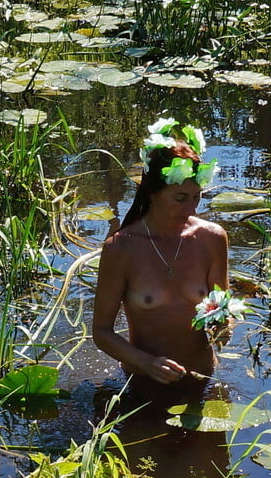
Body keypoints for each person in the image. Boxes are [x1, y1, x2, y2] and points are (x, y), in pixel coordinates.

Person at [92, 117, 227, 401]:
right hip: (141, 382)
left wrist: (223, 326)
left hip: (202, 378)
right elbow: (102, 332)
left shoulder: (212, 238)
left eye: (196, 196)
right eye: (180, 198)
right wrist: (147, 364)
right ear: (152, 193)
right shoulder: (121, 248)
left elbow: (221, 310)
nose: (191, 208)